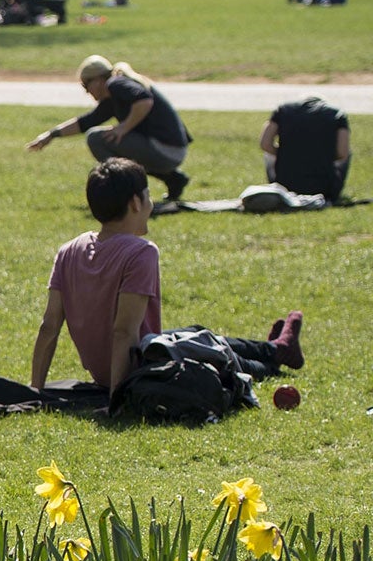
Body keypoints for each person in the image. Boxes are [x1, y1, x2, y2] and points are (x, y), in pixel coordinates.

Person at [30, 159, 303, 393]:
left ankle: (274, 349)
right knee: (212, 352)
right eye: (149, 196)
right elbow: (124, 331)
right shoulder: (140, 252)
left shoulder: (68, 250)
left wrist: (35, 390)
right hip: (141, 369)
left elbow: (49, 326)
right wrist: (117, 397)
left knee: (196, 333)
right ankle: (273, 357)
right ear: (136, 203)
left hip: (109, 369)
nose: (151, 203)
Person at [27, 56, 193, 202]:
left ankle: (128, 194)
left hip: (165, 151)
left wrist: (123, 128)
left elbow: (144, 101)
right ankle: (173, 178)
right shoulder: (113, 98)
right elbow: (85, 122)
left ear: (98, 80)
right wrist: (51, 135)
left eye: (86, 85)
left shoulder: (116, 83)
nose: (87, 92)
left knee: (96, 139)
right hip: (171, 151)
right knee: (99, 136)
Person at [261, 96, 350, 202]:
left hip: (285, 187)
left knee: (268, 155)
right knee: (348, 152)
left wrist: (287, 154)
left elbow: (265, 144)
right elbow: (342, 152)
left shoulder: (283, 110)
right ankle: (334, 192)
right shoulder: (337, 114)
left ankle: (275, 186)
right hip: (323, 189)